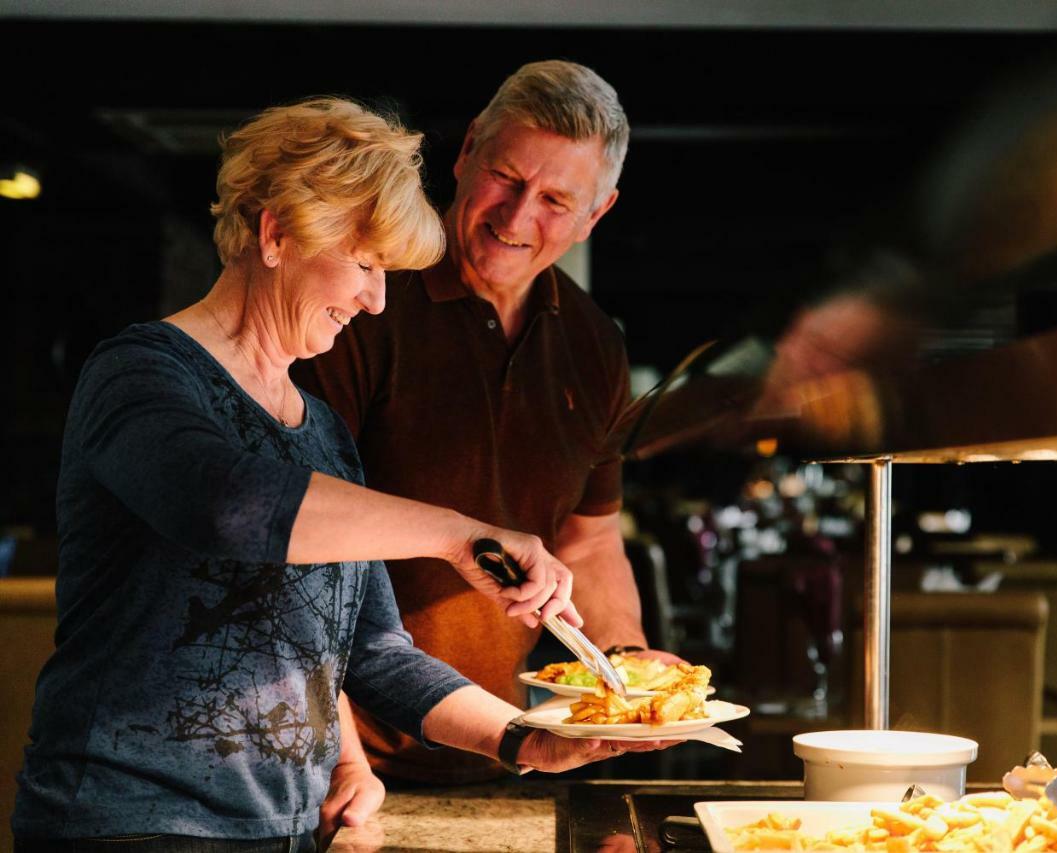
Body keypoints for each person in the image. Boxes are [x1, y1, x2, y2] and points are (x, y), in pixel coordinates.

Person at [11, 97, 667, 853]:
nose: (376, 297)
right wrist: (459, 534)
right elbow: (228, 505)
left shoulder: (318, 429)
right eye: (363, 263)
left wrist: (520, 740)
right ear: (276, 232)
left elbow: (374, 651)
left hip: (287, 831)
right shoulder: (141, 372)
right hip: (129, 823)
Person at [294, 60, 678, 785]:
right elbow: (296, 533)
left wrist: (626, 661)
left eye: (556, 199)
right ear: (468, 149)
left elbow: (589, 541)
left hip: (498, 744)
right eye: (507, 177)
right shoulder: (364, 298)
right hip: (336, 759)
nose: (515, 217)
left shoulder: (595, 344)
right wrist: (338, 759)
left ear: (598, 213)